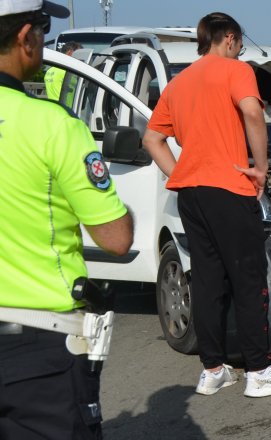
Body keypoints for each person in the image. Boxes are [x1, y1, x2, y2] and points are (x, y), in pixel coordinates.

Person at [142, 12, 271, 398]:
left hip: (192, 196)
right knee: (249, 280)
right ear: (229, 38)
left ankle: (213, 369)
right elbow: (252, 112)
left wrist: (180, 172)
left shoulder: (180, 83)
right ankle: (260, 371)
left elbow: (151, 139)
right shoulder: (235, 70)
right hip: (230, 189)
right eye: (240, 44)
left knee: (208, 281)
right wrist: (260, 168)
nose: (241, 50)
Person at [0, 1, 134, 437]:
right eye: (42, 28)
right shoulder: (53, 125)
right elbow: (115, 238)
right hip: (38, 348)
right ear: (25, 38)